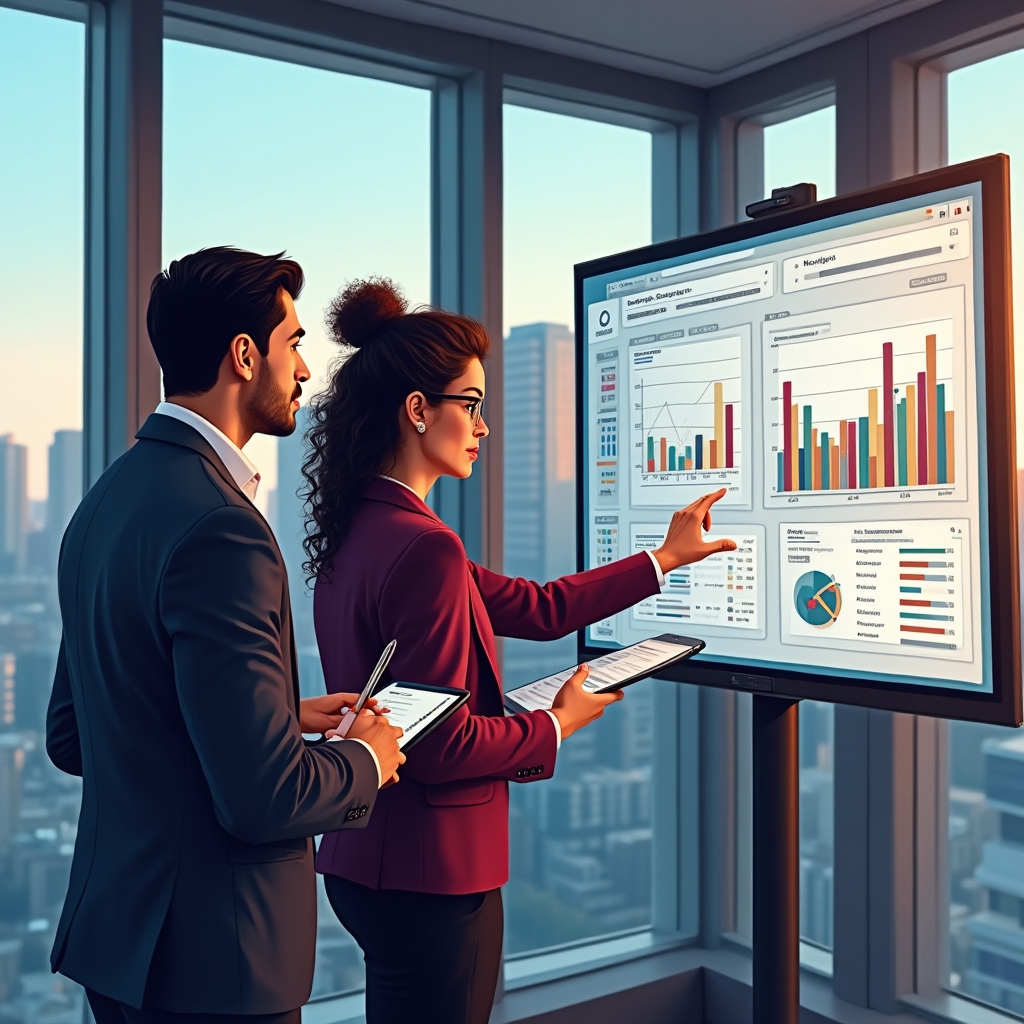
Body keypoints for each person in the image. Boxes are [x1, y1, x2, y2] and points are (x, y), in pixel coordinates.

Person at [302, 277, 736, 1024]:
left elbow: (537, 609)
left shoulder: (363, 531)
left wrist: (662, 559)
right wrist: (556, 723)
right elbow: (438, 747)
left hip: (362, 857)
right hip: (432, 872)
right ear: (417, 411)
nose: (484, 426)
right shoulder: (424, 548)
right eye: (470, 404)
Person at [45, 248, 405, 1024]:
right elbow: (264, 799)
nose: (306, 371)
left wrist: (274, 716)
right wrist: (364, 761)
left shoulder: (102, 506)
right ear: (246, 355)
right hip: (219, 966)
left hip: (120, 949)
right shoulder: (221, 528)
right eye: (295, 343)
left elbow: (75, 735)